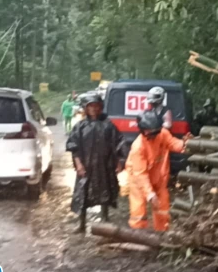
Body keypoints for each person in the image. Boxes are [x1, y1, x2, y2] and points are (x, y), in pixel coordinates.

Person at [66, 94, 127, 233]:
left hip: (104, 165)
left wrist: (120, 162)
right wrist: (79, 165)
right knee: (83, 193)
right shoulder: (80, 127)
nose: (93, 109)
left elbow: (119, 143)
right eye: (90, 106)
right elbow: (73, 147)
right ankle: (81, 224)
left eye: (96, 106)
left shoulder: (108, 125)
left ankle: (104, 220)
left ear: (100, 107)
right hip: (86, 166)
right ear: (86, 108)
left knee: (105, 191)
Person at [126, 111, 192, 232]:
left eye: (156, 130)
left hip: (158, 178)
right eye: (150, 131)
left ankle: (162, 232)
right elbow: (141, 174)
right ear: (143, 130)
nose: (154, 134)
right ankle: (137, 233)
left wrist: (186, 145)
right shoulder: (138, 147)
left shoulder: (162, 134)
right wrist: (150, 193)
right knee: (138, 210)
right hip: (138, 181)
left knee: (163, 207)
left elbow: (174, 143)